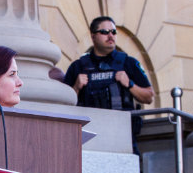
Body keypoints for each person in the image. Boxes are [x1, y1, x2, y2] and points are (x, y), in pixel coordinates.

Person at [63, 16, 154, 151]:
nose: (110, 36)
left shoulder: (128, 63)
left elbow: (149, 96)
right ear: (93, 36)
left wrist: (130, 84)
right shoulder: (78, 67)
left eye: (113, 32)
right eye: (105, 32)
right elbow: (64, 105)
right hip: (90, 135)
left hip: (122, 134)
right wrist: (76, 87)